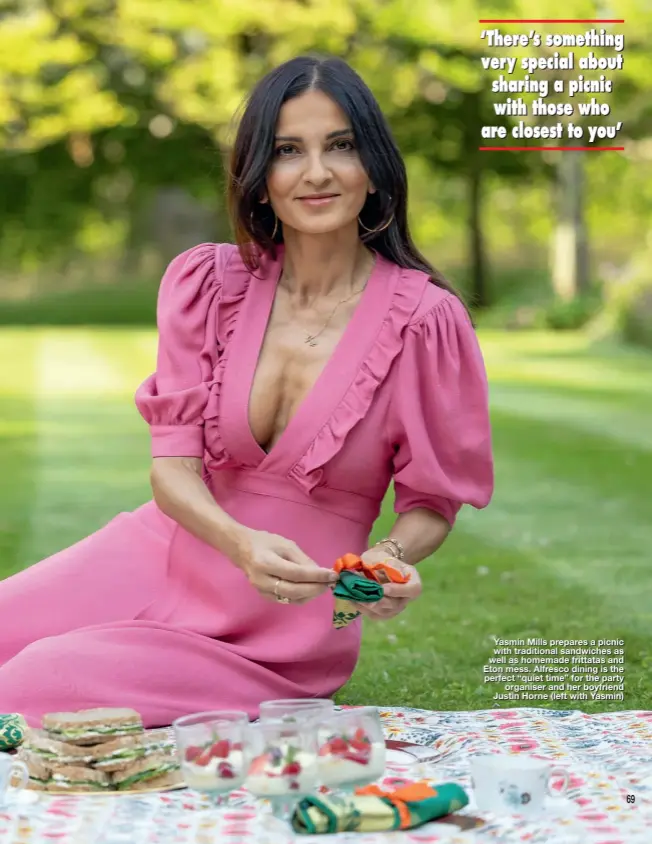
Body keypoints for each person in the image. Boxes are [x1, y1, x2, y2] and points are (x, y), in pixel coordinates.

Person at [0, 55, 494, 729]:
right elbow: (171, 471)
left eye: (340, 146)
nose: (316, 172)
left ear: (373, 168)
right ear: (260, 181)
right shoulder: (207, 284)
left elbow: (432, 501)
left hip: (282, 629)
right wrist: (238, 543)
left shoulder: (426, 322)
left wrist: (384, 563)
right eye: (288, 151)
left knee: (35, 681)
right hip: (159, 552)